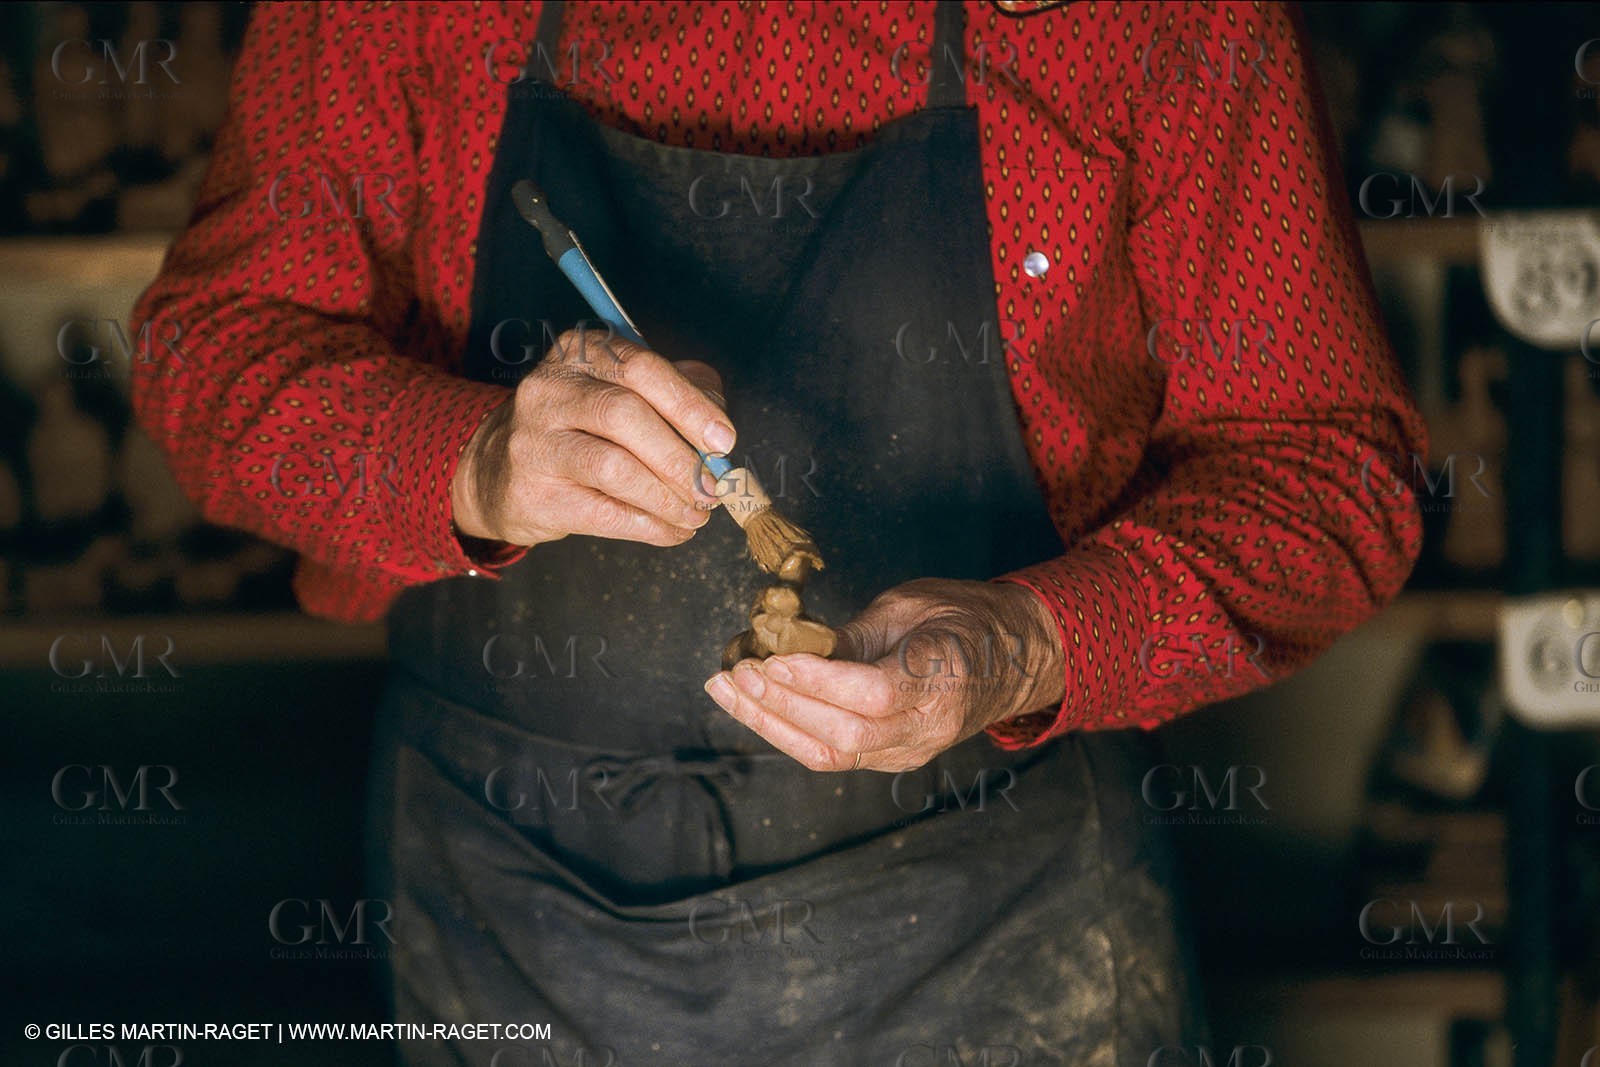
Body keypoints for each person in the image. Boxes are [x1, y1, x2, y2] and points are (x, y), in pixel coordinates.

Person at [130, 2, 1427, 1063]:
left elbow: (1327, 471)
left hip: (996, 920)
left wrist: (1029, 643)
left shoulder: (1140, 20)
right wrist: (468, 459)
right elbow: (211, 358)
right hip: (509, 899)